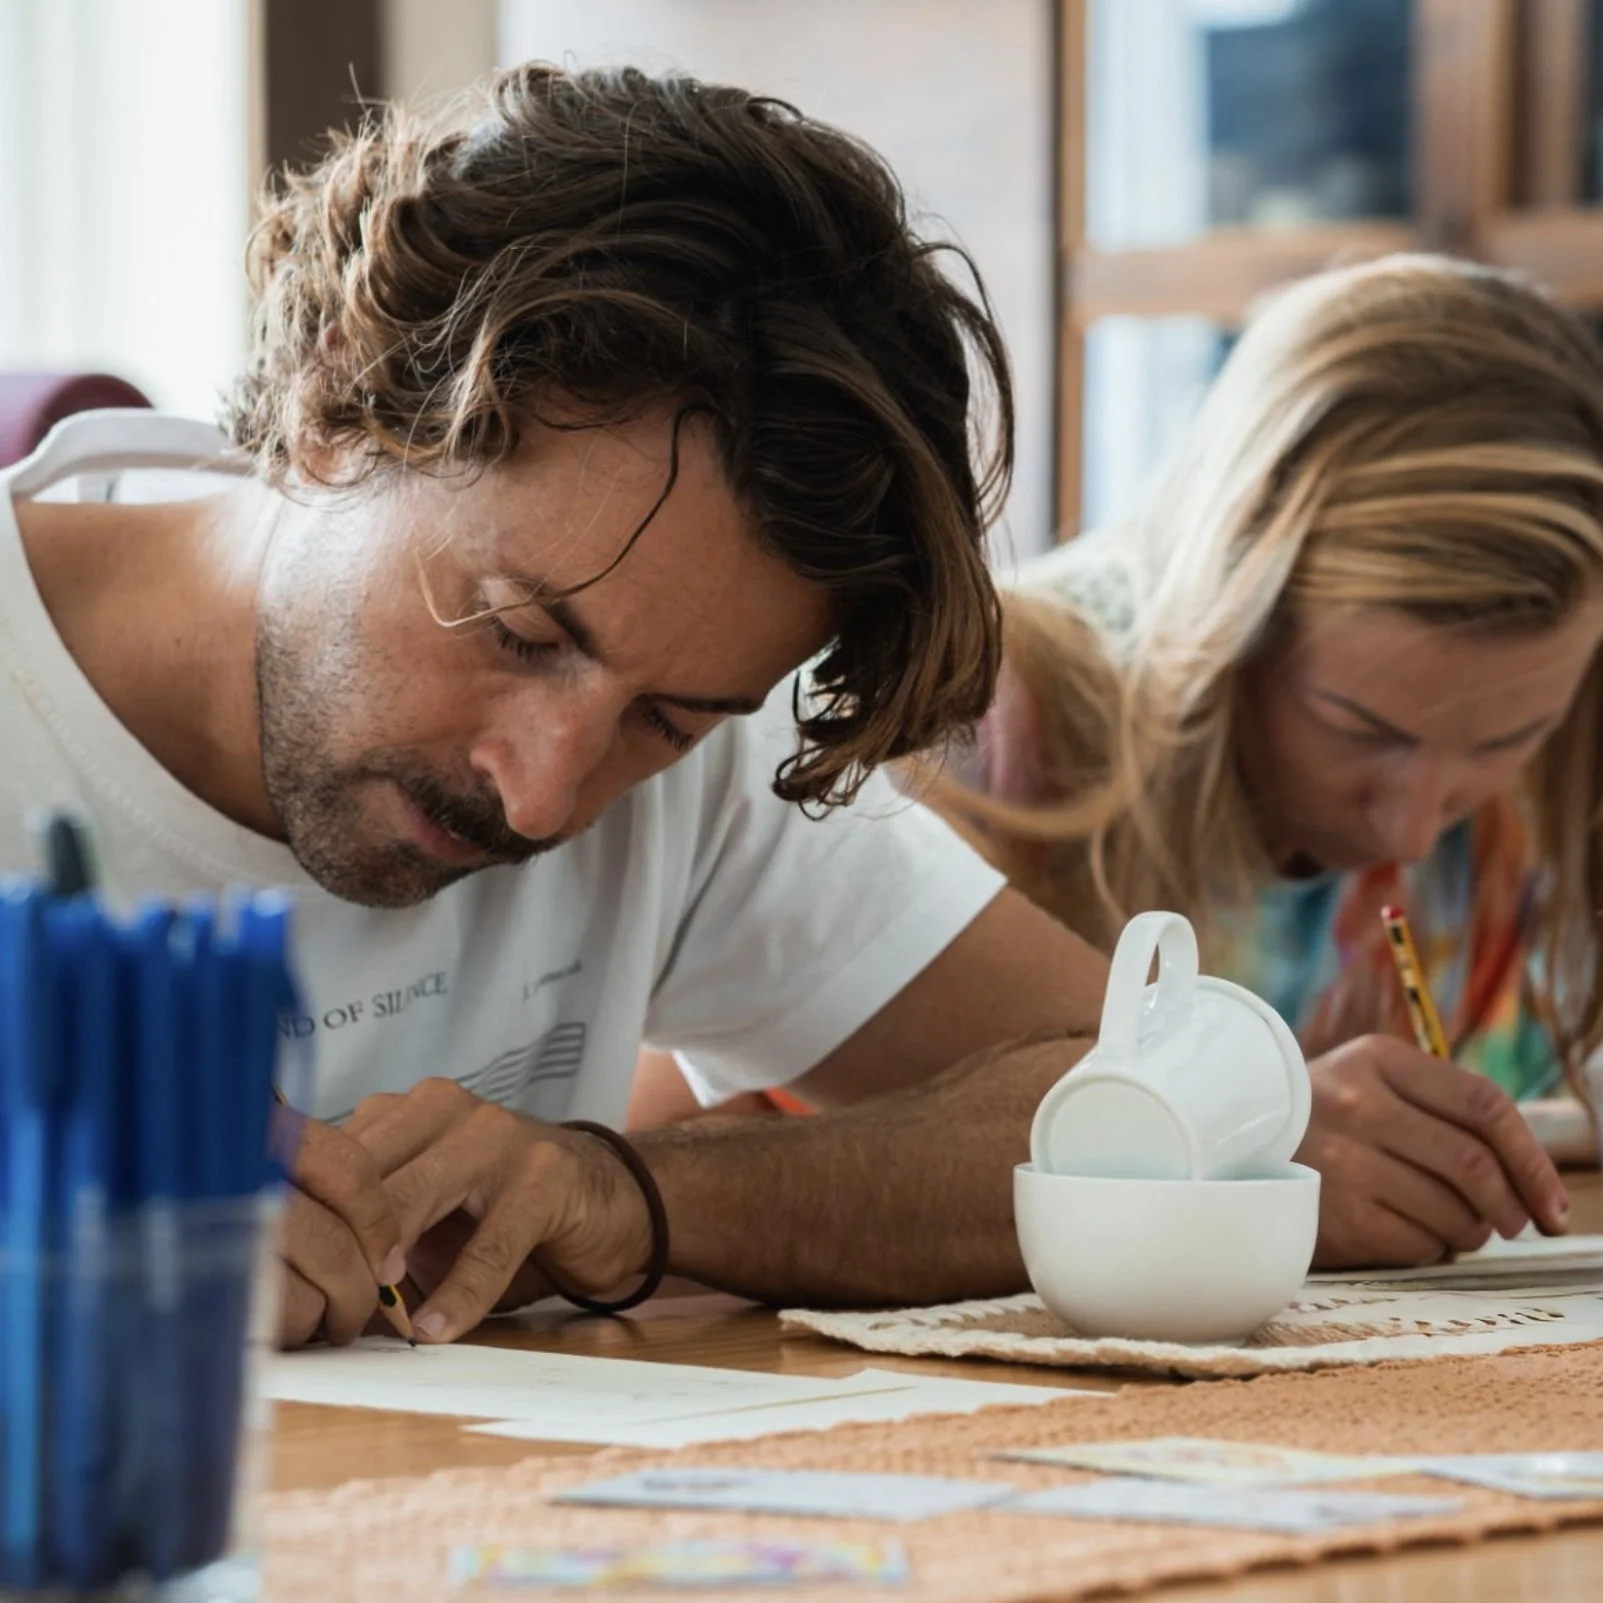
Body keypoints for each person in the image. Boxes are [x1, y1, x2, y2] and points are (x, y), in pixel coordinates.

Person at [0, 70, 1562, 1351]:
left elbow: (1122, 1089)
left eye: (670, 719)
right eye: (519, 629)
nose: (545, 795)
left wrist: (624, 1193)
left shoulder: (680, 719)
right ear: (346, 399)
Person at [940, 254, 1600, 1267]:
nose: (1414, 828)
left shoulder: (1570, 769)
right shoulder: (981, 728)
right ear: (1228, 613)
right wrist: (1242, 1150)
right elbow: (705, 1152)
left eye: (1507, 741)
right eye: (1359, 728)